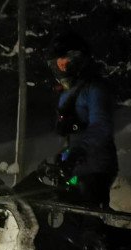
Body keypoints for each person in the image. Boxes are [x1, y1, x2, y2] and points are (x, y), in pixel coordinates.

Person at [48, 30, 118, 209]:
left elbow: (101, 126)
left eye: (66, 63)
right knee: (69, 217)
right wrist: (62, 158)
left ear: (79, 60)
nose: (63, 68)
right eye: (59, 64)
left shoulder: (94, 89)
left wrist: (78, 152)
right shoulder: (67, 94)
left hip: (96, 168)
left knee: (89, 217)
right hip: (75, 170)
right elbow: (70, 135)